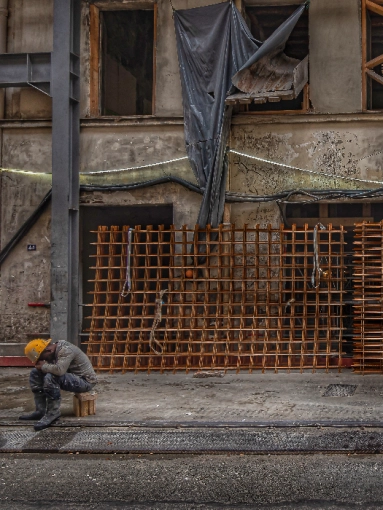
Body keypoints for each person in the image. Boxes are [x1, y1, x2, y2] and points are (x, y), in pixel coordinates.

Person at [20, 338, 98, 431]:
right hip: (73, 377)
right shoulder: (55, 350)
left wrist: (44, 366)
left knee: (52, 377)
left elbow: (59, 370)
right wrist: (42, 367)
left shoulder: (66, 350)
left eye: (42, 357)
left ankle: (53, 413)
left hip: (85, 382)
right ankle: (40, 410)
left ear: (48, 350)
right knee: (35, 373)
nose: (42, 360)